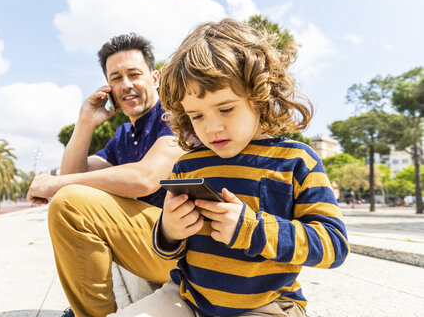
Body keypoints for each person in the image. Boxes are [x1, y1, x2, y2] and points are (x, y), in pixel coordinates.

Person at [110, 19, 349, 316]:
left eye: (226, 109)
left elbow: (333, 245)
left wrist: (253, 229)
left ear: (260, 94)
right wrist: (169, 231)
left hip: (268, 305)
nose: (212, 128)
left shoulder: (298, 161)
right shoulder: (187, 164)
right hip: (187, 299)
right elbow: (168, 248)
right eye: (196, 116)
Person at [27, 33, 185, 317]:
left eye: (134, 74)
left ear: (155, 77)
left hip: (183, 245)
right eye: (116, 78)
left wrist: (53, 184)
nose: (126, 85)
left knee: (69, 203)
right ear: (108, 86)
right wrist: (85, 121)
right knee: (69, 201)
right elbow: (73, 177)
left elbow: (145, 178)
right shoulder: (125, 134)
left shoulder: (175, 115)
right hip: (152, 243)